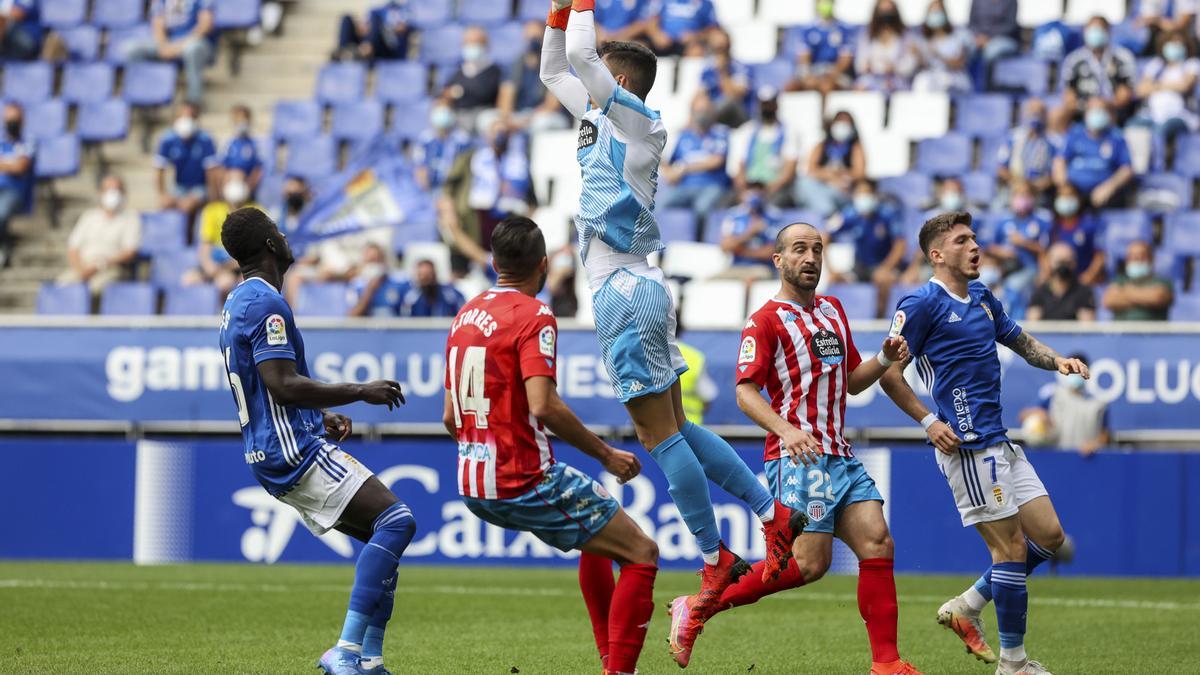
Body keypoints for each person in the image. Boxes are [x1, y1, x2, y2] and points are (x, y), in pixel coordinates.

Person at [540, 6, 805, 663]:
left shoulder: (634, 118)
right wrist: (554, 16)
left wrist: (579, 8)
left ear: (622, 81)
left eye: (606, 73)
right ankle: (771, 511)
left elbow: (579, 58)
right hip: (641, 285)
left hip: (623, 291)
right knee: (677, 430)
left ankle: (714, 558)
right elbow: (556, 66)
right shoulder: (608, 120)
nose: (594, 78)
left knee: (658, 437)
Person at [675, 222, 922, 675]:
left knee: (877, 542)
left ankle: (886, 663)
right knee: (807, 565)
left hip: (839, 454)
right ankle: (697, 607)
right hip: (797, 457)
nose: (810, 258)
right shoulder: (764, 320)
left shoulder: (833, 310)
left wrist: (885, 359)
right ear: (779, 260)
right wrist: (787, 430)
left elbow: (849, 382)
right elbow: (745, 392)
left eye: (817, 249)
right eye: (799, 250)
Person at [442, 216, 658, 675]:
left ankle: (610, 660)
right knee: (642, 553)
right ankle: (620, 669)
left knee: (599, 539)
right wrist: (606, 454)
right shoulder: (535, 314)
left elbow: (449, 416)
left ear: (495, 263)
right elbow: (543, 405)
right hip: (522, 477)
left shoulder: (465, 314)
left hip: (469, 479)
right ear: (542, 266)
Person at [879, 211, 1085, 675]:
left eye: (974, 238)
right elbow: (889, 376)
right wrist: (929, 420)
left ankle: (967, 605)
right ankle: (1013, 664)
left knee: (1049, 536)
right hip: (967, 446)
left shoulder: (982, 296)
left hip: (1001, 441)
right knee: (1010, 549)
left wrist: (1059, 361)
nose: (975, 246)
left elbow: (1018, 340)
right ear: (937, 254)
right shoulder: (920, 305)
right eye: (961, 240)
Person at [217, 207, 413, 675]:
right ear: (270, 246)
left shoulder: (238, 302)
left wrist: (318, 416)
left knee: (381, 540)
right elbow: (282, 383)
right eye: (279, 232)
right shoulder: (265, 303)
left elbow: (267, 387)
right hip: (290, 453)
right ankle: (346, 652)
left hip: (277, 446)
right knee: (397, 520)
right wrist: (360, 390)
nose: (286, 237)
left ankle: (369, 660)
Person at [826, 179, 905, 318]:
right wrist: (830, 269)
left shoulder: (888, 214)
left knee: (883, 279)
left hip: (883, 266)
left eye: (867, 193)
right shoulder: (849, 214)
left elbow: (900, 245)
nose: (864, 197)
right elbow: (824, 236)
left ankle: (879, 322)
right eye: (860, 193)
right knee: (835, 281)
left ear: (874, 195)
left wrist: (886, 267)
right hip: (859, 268)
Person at [58, 175, 140, 298]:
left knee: (95, 288)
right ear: (101, 193)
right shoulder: (89, 216)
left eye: (117, 190)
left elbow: (130, 252)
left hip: (110, 269)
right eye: (108, 190)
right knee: (62, 285)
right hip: (83, 266)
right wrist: (81, 270)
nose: (113, 194)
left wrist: (99, 265)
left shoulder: (131, 218)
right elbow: (73, 248)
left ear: (124, 193)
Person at [186, 169, 262, 295]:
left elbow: (257, 253)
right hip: (217, 264)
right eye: (231, 181)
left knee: (227, 283)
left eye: (239, 181)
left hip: (241, 268)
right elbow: (205, 246)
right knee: (189, 280)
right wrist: (210, 266)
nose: (235, 185)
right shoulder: (211, 210)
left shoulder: (257, 211)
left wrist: (228, 268)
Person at [125, 0, 216, 105]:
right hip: (168, 43)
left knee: (192, 49)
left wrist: (179, 45)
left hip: (196, 42)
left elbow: (205, 24)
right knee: (132, 50)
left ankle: (194, 100)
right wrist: (164, 46)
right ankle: (142, 93)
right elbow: (157, 23)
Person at [1055, 15, 1136, 130]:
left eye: (1099, 30)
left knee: (1103, 113)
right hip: (1082, 110)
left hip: (1113, 110)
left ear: (1108, 32)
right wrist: (1088, 106)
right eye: (1092, 30)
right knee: (1057, 115)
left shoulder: (1123, 57)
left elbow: (1125, 94)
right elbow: (1068, 94)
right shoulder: (1074, 60)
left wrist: (1102, 105)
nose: (1095, 34)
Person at [1020, 353, 1110, 457]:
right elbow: (1023, 415)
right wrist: (1040, 414)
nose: (1076, 373)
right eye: (1072, 368)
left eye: (1080, 369)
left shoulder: (1098, 403)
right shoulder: (1053, 394)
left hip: (1086, 460)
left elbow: (1105, 434)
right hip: (1058, 458)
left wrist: (1095, 445)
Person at [659, 94, 731, 222]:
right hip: (684, 186)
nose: (702, 114)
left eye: (705, 111)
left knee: (702, 208)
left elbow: (716, 161)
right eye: (699, 111)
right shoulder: (684, 136)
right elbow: (670, 166)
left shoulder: (720, 133)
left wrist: (685, 168)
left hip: (711, 185)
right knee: (659, 205)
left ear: (712, 112)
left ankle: (699, 241)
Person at [1053, 97, 1134, 209]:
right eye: (1094, 110)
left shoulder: (1116, 137)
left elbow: (1126, 169)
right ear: (1086, 113)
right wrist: (1064, 187)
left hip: (1105, 193)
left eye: (1101, 110)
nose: (1097, 114)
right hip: (1075, 192)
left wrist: (1108, 187)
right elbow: (1060, 161)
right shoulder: (1075, 133)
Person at [1132, 29, 1199, 163]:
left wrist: (1155, 86)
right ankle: (1138, 167)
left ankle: (1160, 167)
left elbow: (1184, 86)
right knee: (1133, 125)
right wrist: (1168, 85)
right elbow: (1140, 90)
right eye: (1171, 42)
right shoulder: (1156, 65)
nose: (1174, 46)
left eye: (1178, 43)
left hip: (1181, 115)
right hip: (1153, 114)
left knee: (1162, 129)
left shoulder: (1191, 64)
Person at [733, 87, 800, 204]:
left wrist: (768, 190)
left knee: (776, 203)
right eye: (764, 104)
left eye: (770, 104)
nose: (767, 108)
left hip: (775, 189)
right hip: (750, 187)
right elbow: (739, 166)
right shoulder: (747, 131)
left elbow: (789, 170)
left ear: (776, 105)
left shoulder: (789, 131)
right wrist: (745, 190)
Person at [155, 102, 219, 220]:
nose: (186, 121)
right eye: (182, 116)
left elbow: (212, 171)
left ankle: (189, 237)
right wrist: (162, 194)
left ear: (196, 119)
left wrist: (213, 198)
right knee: (165, 204)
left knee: (187, 206)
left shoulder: (205, 139)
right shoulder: (168, 139)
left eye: (190, 117)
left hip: (200, 187)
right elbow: (159, 168)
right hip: (179, 186)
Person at [989, 181, 1051, 302]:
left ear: (1033, 197)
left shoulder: (1041, 220)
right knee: (985, 278)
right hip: (1004, 266)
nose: (1021, 198)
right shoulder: (1004, 220)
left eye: (1026, 194)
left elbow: (1044, 249)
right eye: (1018, 194)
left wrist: (1023, 242)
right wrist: (1001, 252)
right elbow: (991, 247)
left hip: (1029, 267)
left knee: (1014, 286)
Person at [795, 111, 865, 216]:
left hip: (842, 189)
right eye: (839, 121)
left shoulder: (855, 147)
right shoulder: (821, 145)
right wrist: (830, 176)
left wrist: (840, 175)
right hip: (822, 187)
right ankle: (827, 212)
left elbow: (859, 173)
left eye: (846, 123)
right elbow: (811, 170)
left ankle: (826, 214)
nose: (842, 126)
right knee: (803, 183)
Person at [785, 0, 855, 95]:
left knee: (826, 86)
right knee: (790, 87)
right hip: (814, 72)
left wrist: (831, 75)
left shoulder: (844, 29)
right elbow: (804, 57)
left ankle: (825, 110)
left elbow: (845, 59)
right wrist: (807, 76)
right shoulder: (808, 30)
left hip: (836, 74)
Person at [715, 185, 782, 282]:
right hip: (736, 266)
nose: (754, 195)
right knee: (707, 281)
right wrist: (750, 232)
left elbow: (772, 252)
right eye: (751, 190)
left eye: (758, 191)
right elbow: (725, 247)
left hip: (762, 268)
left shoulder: (774, 217)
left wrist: (740, 250)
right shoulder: (733, 216)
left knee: (750, 279)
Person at [996, 99, 1056, 203]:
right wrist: (1019, 184)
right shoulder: (1012, 138)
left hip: (1039, 192)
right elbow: (1001, 169)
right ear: (1025, 114)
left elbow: (1054, 173)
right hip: (1013, 189)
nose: (1035, 115)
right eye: (1032, 111)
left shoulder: (1052, 141)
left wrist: (1041, 184)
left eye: (1039, 112)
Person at [1048, 183, 1106, 286]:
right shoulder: (1053, 226)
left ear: (1079, 199)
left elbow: (1100, 256)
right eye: (1061, 196)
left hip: (1086, 281)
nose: (1065, 199)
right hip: (1060, 282)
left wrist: (1088, 277)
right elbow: (1045, 255)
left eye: (1069, 195)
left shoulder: (1089, 224)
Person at [1102, 240, 1174, 321]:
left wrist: (1126, 291)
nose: (1136, 259)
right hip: (1121, 333)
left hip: (1151, 333)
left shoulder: (1162, 281)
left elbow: (1158, 297)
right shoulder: (1119, 280)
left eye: (1141, 256)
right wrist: (1145, 297)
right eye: (1132, 256)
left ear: (1151, 258)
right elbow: (1109, 300)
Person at [912, 0, 974, 93]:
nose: (935, 14)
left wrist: (939, 55)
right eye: (932, 12)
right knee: (921, 81)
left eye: (938, 11)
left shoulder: (959, 36)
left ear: (944, 13)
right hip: (932, 78)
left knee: (945, 83)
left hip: (954, 78)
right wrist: (918, 55)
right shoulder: (923, 40)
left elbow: (959, 63)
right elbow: (924, 66)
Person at [855, 0, 916, 92]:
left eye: (889, 10)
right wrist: (872, 67)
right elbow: (860, 65)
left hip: (898, 80)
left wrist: (894, 68)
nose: (886, 15)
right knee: (860, 87)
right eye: (882, 11)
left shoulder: (906, 37)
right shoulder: (867, 37)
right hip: (873, 79)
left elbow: (910, 64)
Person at [1026, 242, 1097, 321]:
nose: (1063, 267)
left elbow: (1086, 327)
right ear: (1050, 263)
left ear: (1074, 263)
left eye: (1068, 262)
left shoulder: (1083, 292)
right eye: (1060, 262)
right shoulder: (1040, 292)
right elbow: (1033, 324)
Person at [412, 104, 473, 191]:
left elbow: (466, 167)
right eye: (440, 129)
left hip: (454, 186)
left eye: (445, 129)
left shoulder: (461, 140)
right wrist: (426, 187)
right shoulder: (425, 139)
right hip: (431, 185)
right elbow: (419, 167)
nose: (442, 132)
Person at [0, 103, 32, 268]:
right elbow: (14, 164)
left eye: (15, 119)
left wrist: (5, 164)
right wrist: (9, 164)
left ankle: (4, 249)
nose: (11, 123)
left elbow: (21, 166)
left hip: (15, 191)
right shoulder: (2, 143)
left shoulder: (26, 143)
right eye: (9, 119)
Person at [699, 28, 752, 127]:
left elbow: (734, 94)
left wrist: (722, 72)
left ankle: (705, 123)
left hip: (738, 114)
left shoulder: (740, 67)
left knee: (728, 101)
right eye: (716, 48)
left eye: (722, 48)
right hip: (715, 112)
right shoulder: (708, 69)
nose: (719, 52)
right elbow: (701, 94)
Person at [443, 26, 503, 113]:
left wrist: (461, 91)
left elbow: (484, 93)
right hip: (459, 114)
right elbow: (445, 92)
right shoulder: (459, 70)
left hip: (483, 113)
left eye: (476, 43)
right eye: (468, 43)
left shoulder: (494, 71)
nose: (471, 46)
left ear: (485, 45)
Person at [333, 0, 411, 62]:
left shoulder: (402, 9)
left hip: (388, 46)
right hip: (369, 38)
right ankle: (344, 51)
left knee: (376, 20)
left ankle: (365, 50)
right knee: (347, 18)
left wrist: (387, 28)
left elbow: (403, 28)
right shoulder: (376, 6)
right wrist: (362, 28)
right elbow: (366, 23)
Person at [967, 0, 1018, 88]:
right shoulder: (977, 1)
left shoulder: (1011, 1)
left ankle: (986, 87)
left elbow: (1010, 26)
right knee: (967, 49)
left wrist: (989, 38)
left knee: (991, 51)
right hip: (979, 38)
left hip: (1002, 38)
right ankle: (967, 85)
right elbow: (971, 24)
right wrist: (979, 37)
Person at [645, 0, 718, 56]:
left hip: (689, 45)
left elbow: (712, 29)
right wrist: (656, 34)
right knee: (641, 48)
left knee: (696, 51)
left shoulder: (704, 3)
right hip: (663, 44)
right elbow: (650, 21)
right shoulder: (661, 1)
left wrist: (695, 36)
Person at [396, 259, 466, 317]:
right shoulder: (408, 297)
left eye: (428, 275)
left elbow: (462, 313)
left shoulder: (451, 295)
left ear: (435, 274)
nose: (426, 280)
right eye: (422, 276)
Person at [221, 105, 264, 195]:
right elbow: (222, 167)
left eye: (244, 119)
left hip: (247, 185)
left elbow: (258, 169)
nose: (242, 123)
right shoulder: (228, 143)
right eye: (239, 120)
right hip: (230, 183)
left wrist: (248, 185)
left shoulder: (255, 144)